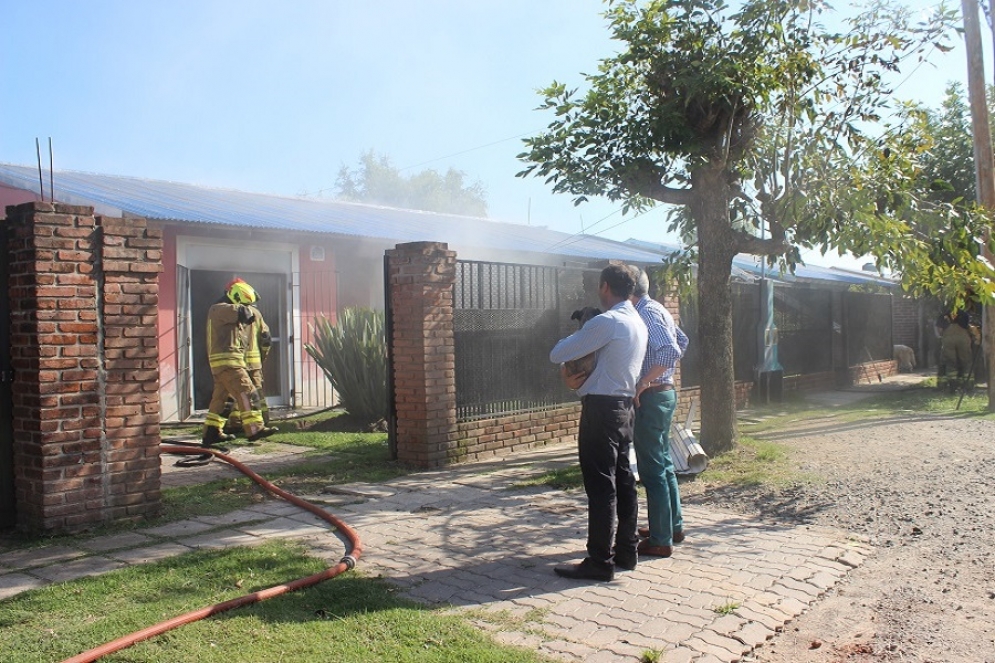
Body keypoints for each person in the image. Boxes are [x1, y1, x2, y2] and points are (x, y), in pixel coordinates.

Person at [549, 264, 648, 581]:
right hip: (624, 409)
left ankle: (600, 561)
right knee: (624, 481)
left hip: (601, 410)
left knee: (601, 486)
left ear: (605, 286)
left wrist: (581, 332)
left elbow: (558, 353)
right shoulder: (637, 321)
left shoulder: (608, 321)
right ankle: (626, 551)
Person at [628, 266, 689, 559]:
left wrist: (646, 381)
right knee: (663, 463)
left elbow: (670, 350)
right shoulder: (658, 308)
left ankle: (660, 539)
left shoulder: (646, 312)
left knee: (652, 469)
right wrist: (663, 376)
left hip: (652, 397)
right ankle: (671, 526)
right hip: (663, 393)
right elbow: (682, 341)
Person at [202, 278, 277, 447]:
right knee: (248, 392)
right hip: (229, 363)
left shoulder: (223, 310)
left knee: (222, 399)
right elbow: (240, 312)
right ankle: (255, 429)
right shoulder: (219, 309)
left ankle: (212, 432)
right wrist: (248, 311)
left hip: (225, 364)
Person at [939, 309, 973, 393]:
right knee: (966, 362)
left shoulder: (944, 314)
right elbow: (969, 327)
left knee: (951, 362)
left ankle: (952, 387)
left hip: (948, 339)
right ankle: (968, 386)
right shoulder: (964, 314)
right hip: (963, 339)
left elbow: (940, 330)